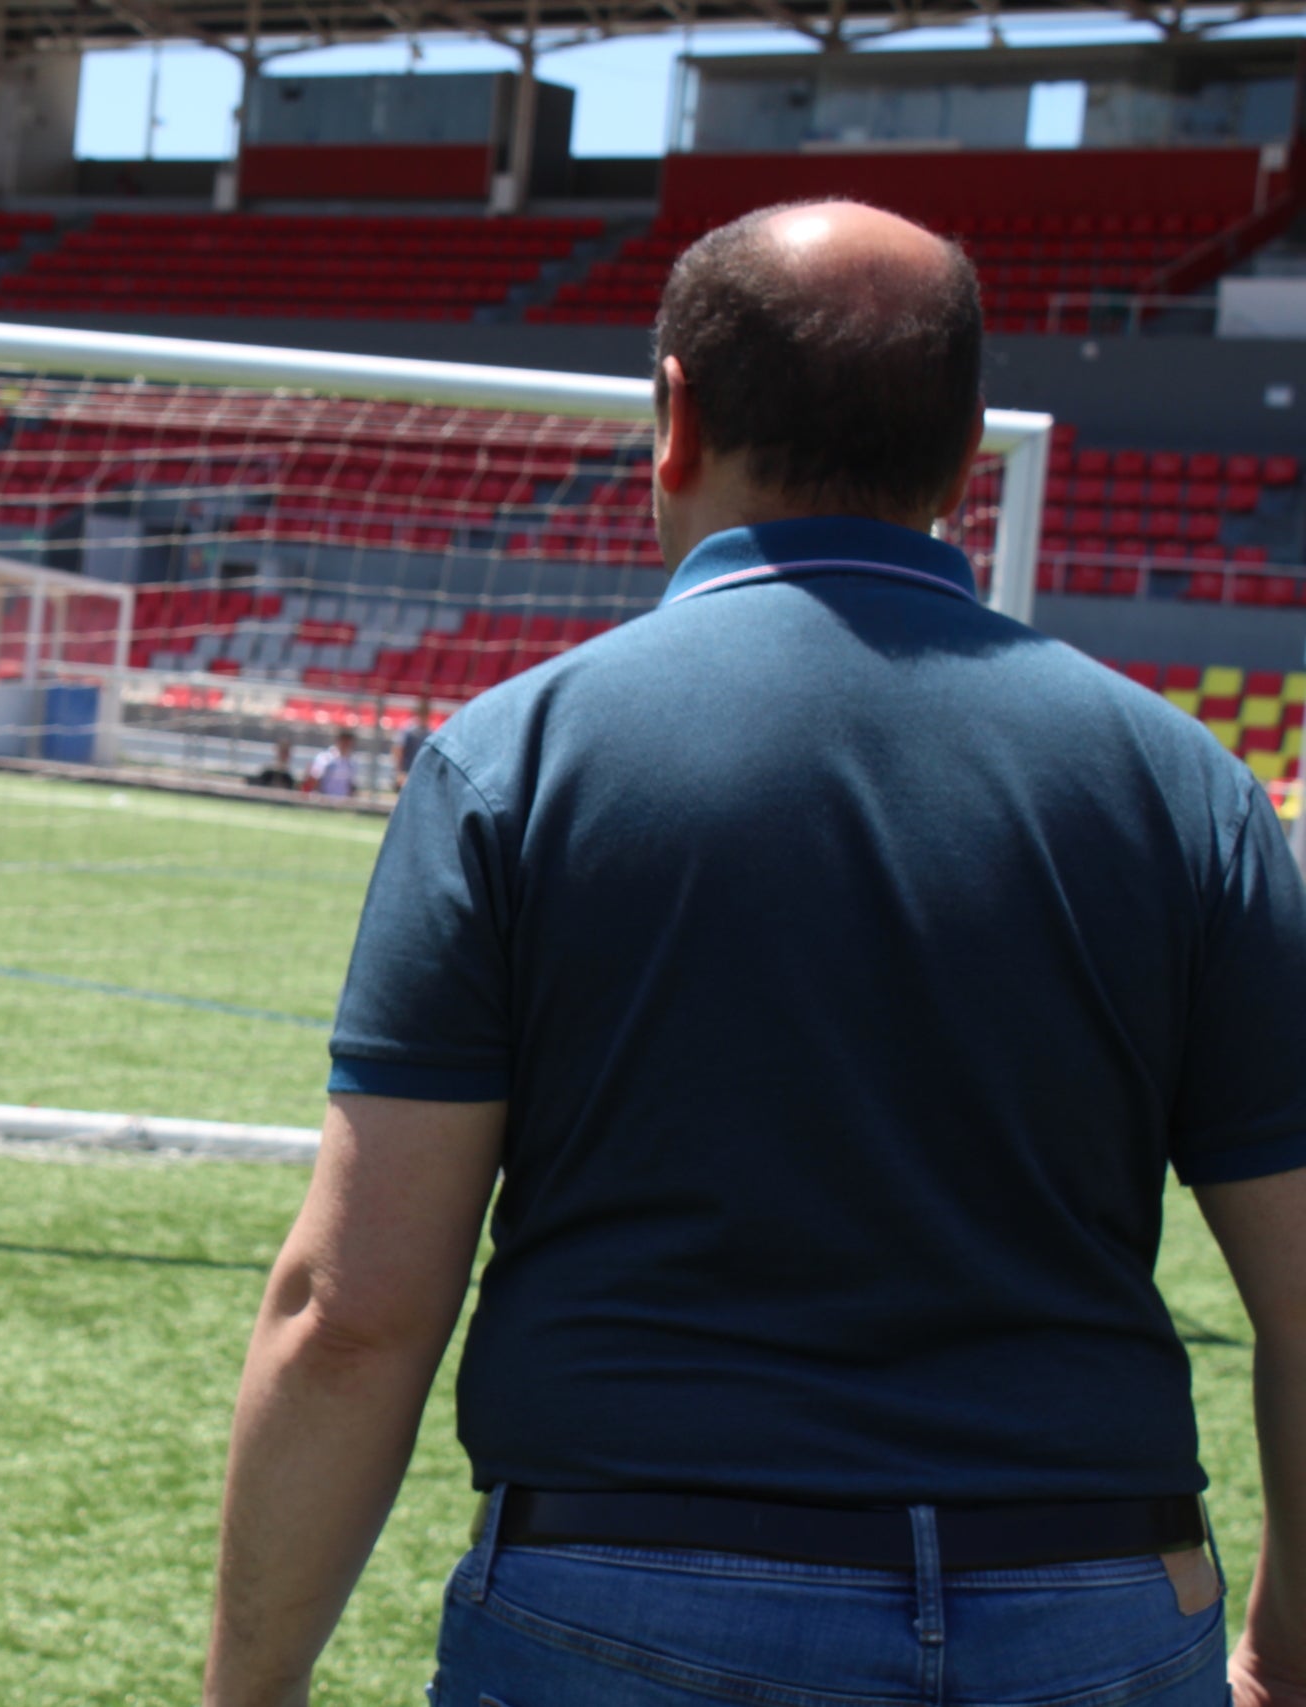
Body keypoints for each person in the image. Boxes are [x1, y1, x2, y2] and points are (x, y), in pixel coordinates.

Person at [207, 201, 1306, 1706]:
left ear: (674, 416)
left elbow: (356, 1308)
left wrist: (246, 1689)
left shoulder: (515, 758)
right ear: (967, 445)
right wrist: (1283, 1654)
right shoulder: (1187, 785)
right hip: (1093, 1594)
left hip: (625, 1584)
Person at [391, 697, 434, 790]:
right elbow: (398, 749)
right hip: (406, 773)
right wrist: (399, 772)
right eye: (422, 712)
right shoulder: (408, 730)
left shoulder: (430, 733)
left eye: (425, 713)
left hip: (422, 775)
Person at [302, 728, 356, 798]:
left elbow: (349, 785)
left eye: (349, 743)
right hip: (324, 801)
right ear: (339, 740)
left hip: (342, 803)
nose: (346, 745)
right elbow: (313, 778)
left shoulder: (351, 762)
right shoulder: (326, 757)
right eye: (344, 741)